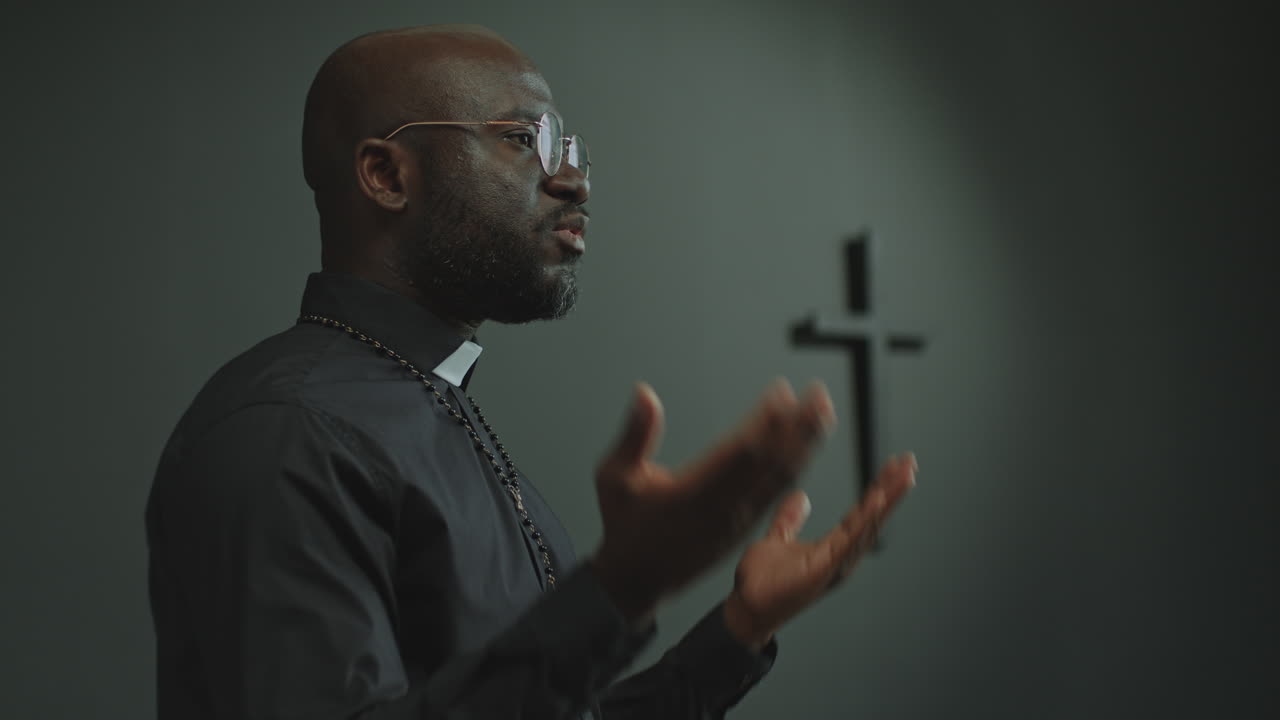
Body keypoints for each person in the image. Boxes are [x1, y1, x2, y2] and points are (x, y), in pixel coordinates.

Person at [145, 24, 916, 720]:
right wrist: (619, 589)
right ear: (385, 175)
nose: (572, 180)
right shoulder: (287, 432)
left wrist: (739, 632)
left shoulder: (427, 400)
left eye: (568, 148)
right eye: (524, 140)